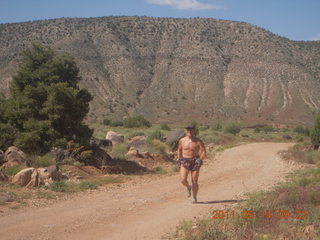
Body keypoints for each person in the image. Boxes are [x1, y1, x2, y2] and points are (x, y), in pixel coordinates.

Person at [176, 125, 207, 203]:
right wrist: (179, 159)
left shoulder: (198, 141)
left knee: (194, 181)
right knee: (183, 180)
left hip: (195, 160)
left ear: (194, 131)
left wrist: (200, 159)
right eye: (188, 130)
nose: (189, 132)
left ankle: (194, 197)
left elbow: (204, 151)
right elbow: (179, 150)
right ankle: (188, 187)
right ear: (186, 131)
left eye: (191, 130)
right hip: (185, 160)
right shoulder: (182, 140)